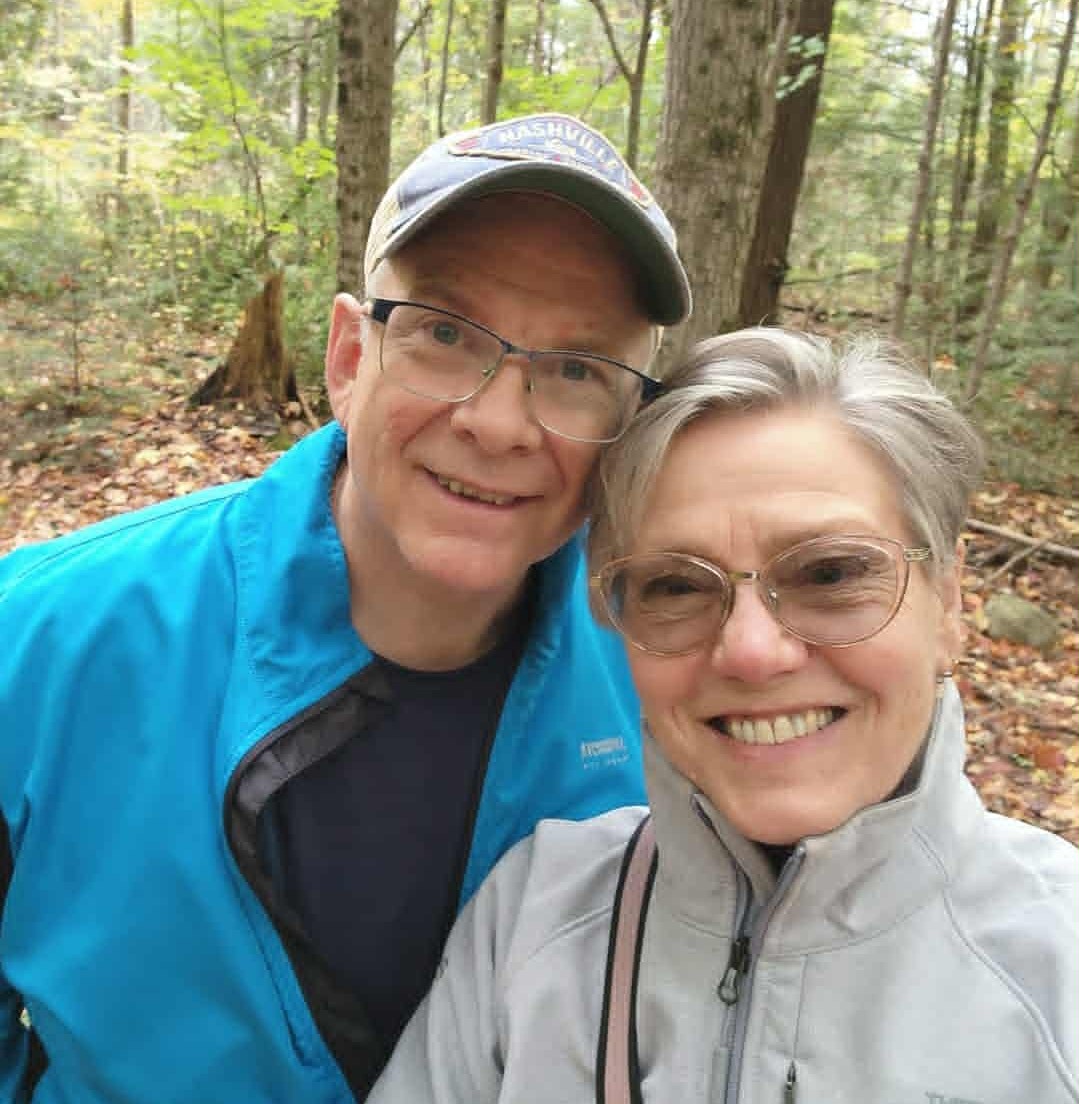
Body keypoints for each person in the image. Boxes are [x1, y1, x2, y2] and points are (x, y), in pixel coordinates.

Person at [0, 113, 691, 1103]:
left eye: (577, 370)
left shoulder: (673, 675)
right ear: (347, 359)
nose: (497, 423)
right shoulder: (43, 638)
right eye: (445, 334)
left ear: (626, 427)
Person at [368, 328, 1079, 1103]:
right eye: (675, 586)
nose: (749, 651)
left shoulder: (1056, 969)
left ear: (945, 602)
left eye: (830, 573)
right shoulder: (531, 921)